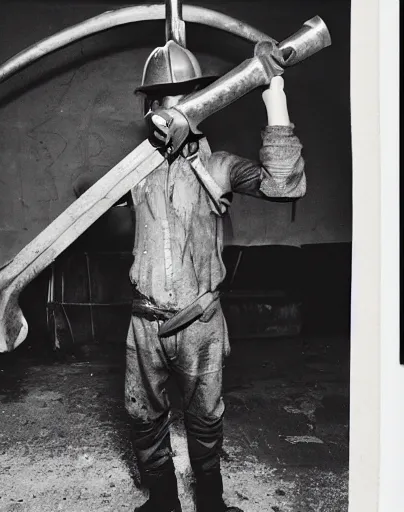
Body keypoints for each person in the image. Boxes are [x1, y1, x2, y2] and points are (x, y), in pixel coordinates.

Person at [125, 40, 306, 512]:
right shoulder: (133, 171)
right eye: (162, 100)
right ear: (149, 107)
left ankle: (212, 503)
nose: (171, 110)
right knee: (143, 417)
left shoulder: (217, 166)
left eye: (184, 99)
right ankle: (162, 501)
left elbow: (284, 184)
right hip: (144, 324)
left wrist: (275, 95)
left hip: (200, 324)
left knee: (205, 419)